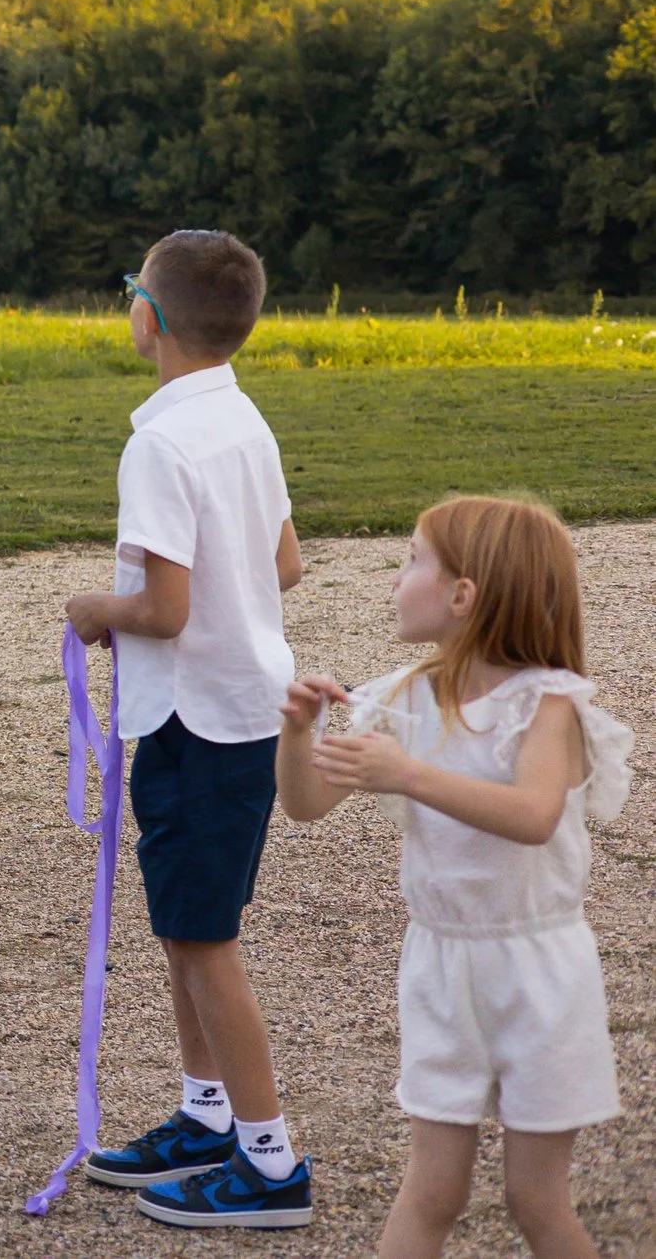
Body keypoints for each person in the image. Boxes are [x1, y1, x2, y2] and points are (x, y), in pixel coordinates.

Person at [277, 499, 631, 1259]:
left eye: (412, 560)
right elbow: (305, 804)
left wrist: (408, 774)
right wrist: (296, 733)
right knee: (433, 1189)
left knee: (535, 1199)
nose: (396, 578)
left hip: (539, 971)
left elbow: (534, 814)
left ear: (464, 594)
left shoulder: (546, 702)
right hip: (439, 965)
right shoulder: (403, 696)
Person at [67, 229, 313, 1227]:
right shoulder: (241, 417)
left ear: (152, 316)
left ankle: (270, 1162)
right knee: (185, 926)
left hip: (195, 720)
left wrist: (97, 609)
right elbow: (283, 563)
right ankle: (206, 1112)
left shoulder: (160, 444)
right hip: (238, 709)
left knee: (205, 940)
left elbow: (162, 610)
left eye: (133, 287)